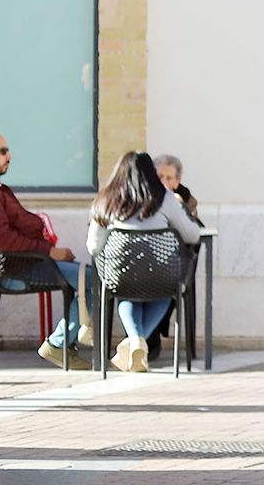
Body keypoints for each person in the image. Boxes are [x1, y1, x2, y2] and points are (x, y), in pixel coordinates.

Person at [0, 130, 93, 369]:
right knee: (94, 279)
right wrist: (49, 251)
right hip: (17, 270)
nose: (9, 156)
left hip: (26, 263)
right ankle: (59, 344)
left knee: (88, 277)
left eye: (8, 150)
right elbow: (1, 239)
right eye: (2, 151)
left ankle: (64, 343)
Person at [86, 151, 202, 372]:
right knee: (166, 297)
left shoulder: (105, 199)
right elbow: (192, 236)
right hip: (162, 274)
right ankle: (137, 342)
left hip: (119, 276)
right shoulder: (165, 198)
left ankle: (135, 340)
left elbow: (93, 247)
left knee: (126, 296)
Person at [149, 153, 201, 364]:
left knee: (173, 285)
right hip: (143, 265)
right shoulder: (143, 196)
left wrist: (184, 209)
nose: (163, 182)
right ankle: (147, 339)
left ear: (177, 181)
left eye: (169, 178)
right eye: (159, 176)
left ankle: (146, 337)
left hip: (172, 266)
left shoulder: (182, 198)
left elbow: (194, 233)